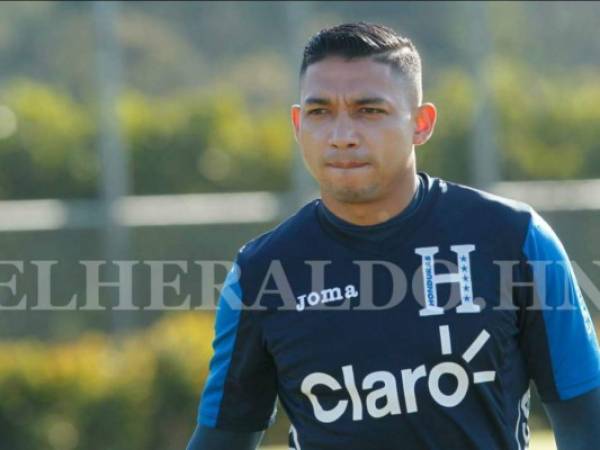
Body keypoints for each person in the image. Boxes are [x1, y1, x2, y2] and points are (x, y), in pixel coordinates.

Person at [186, 22, 600, 450]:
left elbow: (587, 423)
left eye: (369, 110)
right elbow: (223, 437)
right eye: (320, 112)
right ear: (297, 124)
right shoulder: (261, 273)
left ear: (421, 123)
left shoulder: (514, 239)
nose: (342, 136)